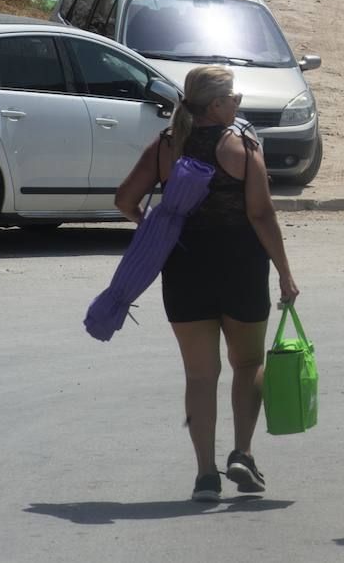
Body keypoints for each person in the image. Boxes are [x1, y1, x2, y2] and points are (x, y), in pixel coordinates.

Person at [114, 66, 299, 503]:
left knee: (200, 375)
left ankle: (204, 477)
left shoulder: (166, 145)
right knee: (248, 362)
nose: (238, 102)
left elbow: (124, 200)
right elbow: (261, 214)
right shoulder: (243, 145)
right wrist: (286, 272)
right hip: (240, 265)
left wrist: (155, 224)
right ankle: (243, 452)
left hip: (184, 266)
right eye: (233, 97)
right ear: (216, 104)